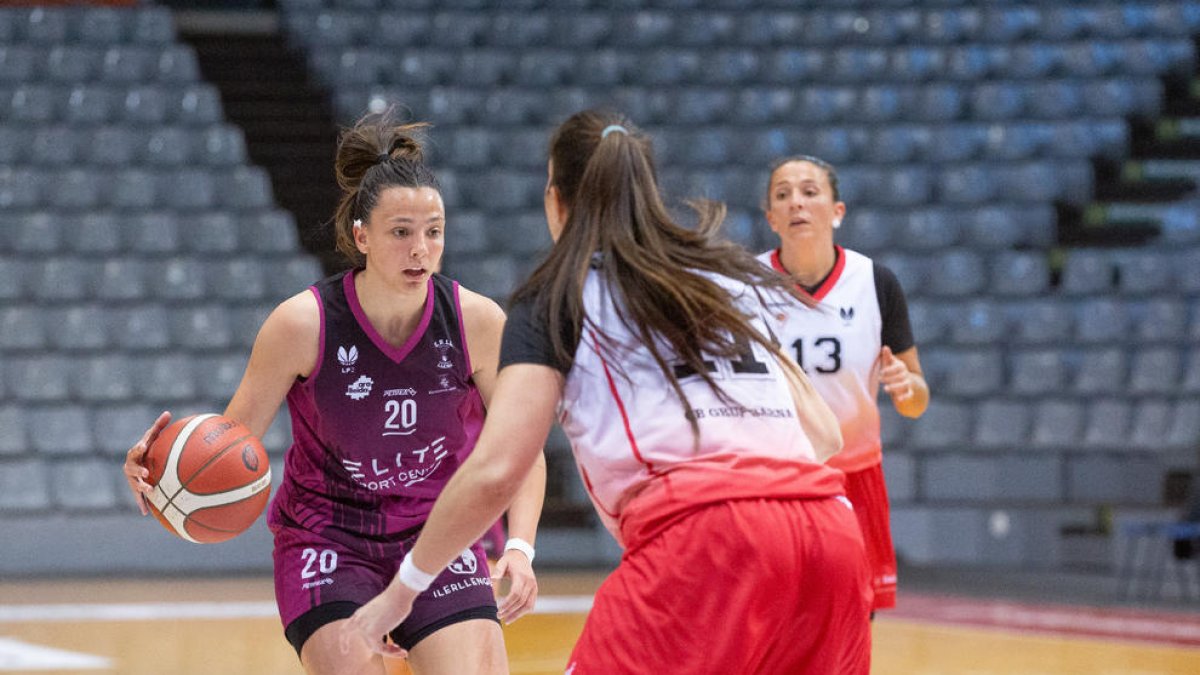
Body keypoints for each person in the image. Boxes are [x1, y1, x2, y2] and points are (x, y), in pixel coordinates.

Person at [340, 110, 872, 674]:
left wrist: (405, 589)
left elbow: (496, 470)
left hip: (705, 539)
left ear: (556, 200)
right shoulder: (728, 280)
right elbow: (823, 434)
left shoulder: (558, 299)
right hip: (831, 533)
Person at [123, 112, 546, 675]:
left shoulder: (478, 321)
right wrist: (159, 481)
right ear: (361, 235)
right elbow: (226, 447)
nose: (421, 248)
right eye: (401, 231)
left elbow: (523, 447)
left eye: (434, 230)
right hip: (328, 537)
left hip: (437, 530)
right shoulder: (301, 324)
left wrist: (520, 547)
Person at [757, 155, 930, 613]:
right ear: (771, 217)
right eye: (783, 193)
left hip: (853, 475)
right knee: (775, 624)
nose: (797, 201)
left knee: (852, 622)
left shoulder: (875, 282)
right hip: (773, 481)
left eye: (810, 191)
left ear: (837, 211)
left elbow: (917, 401)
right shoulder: (745, 288)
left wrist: (905, 386)